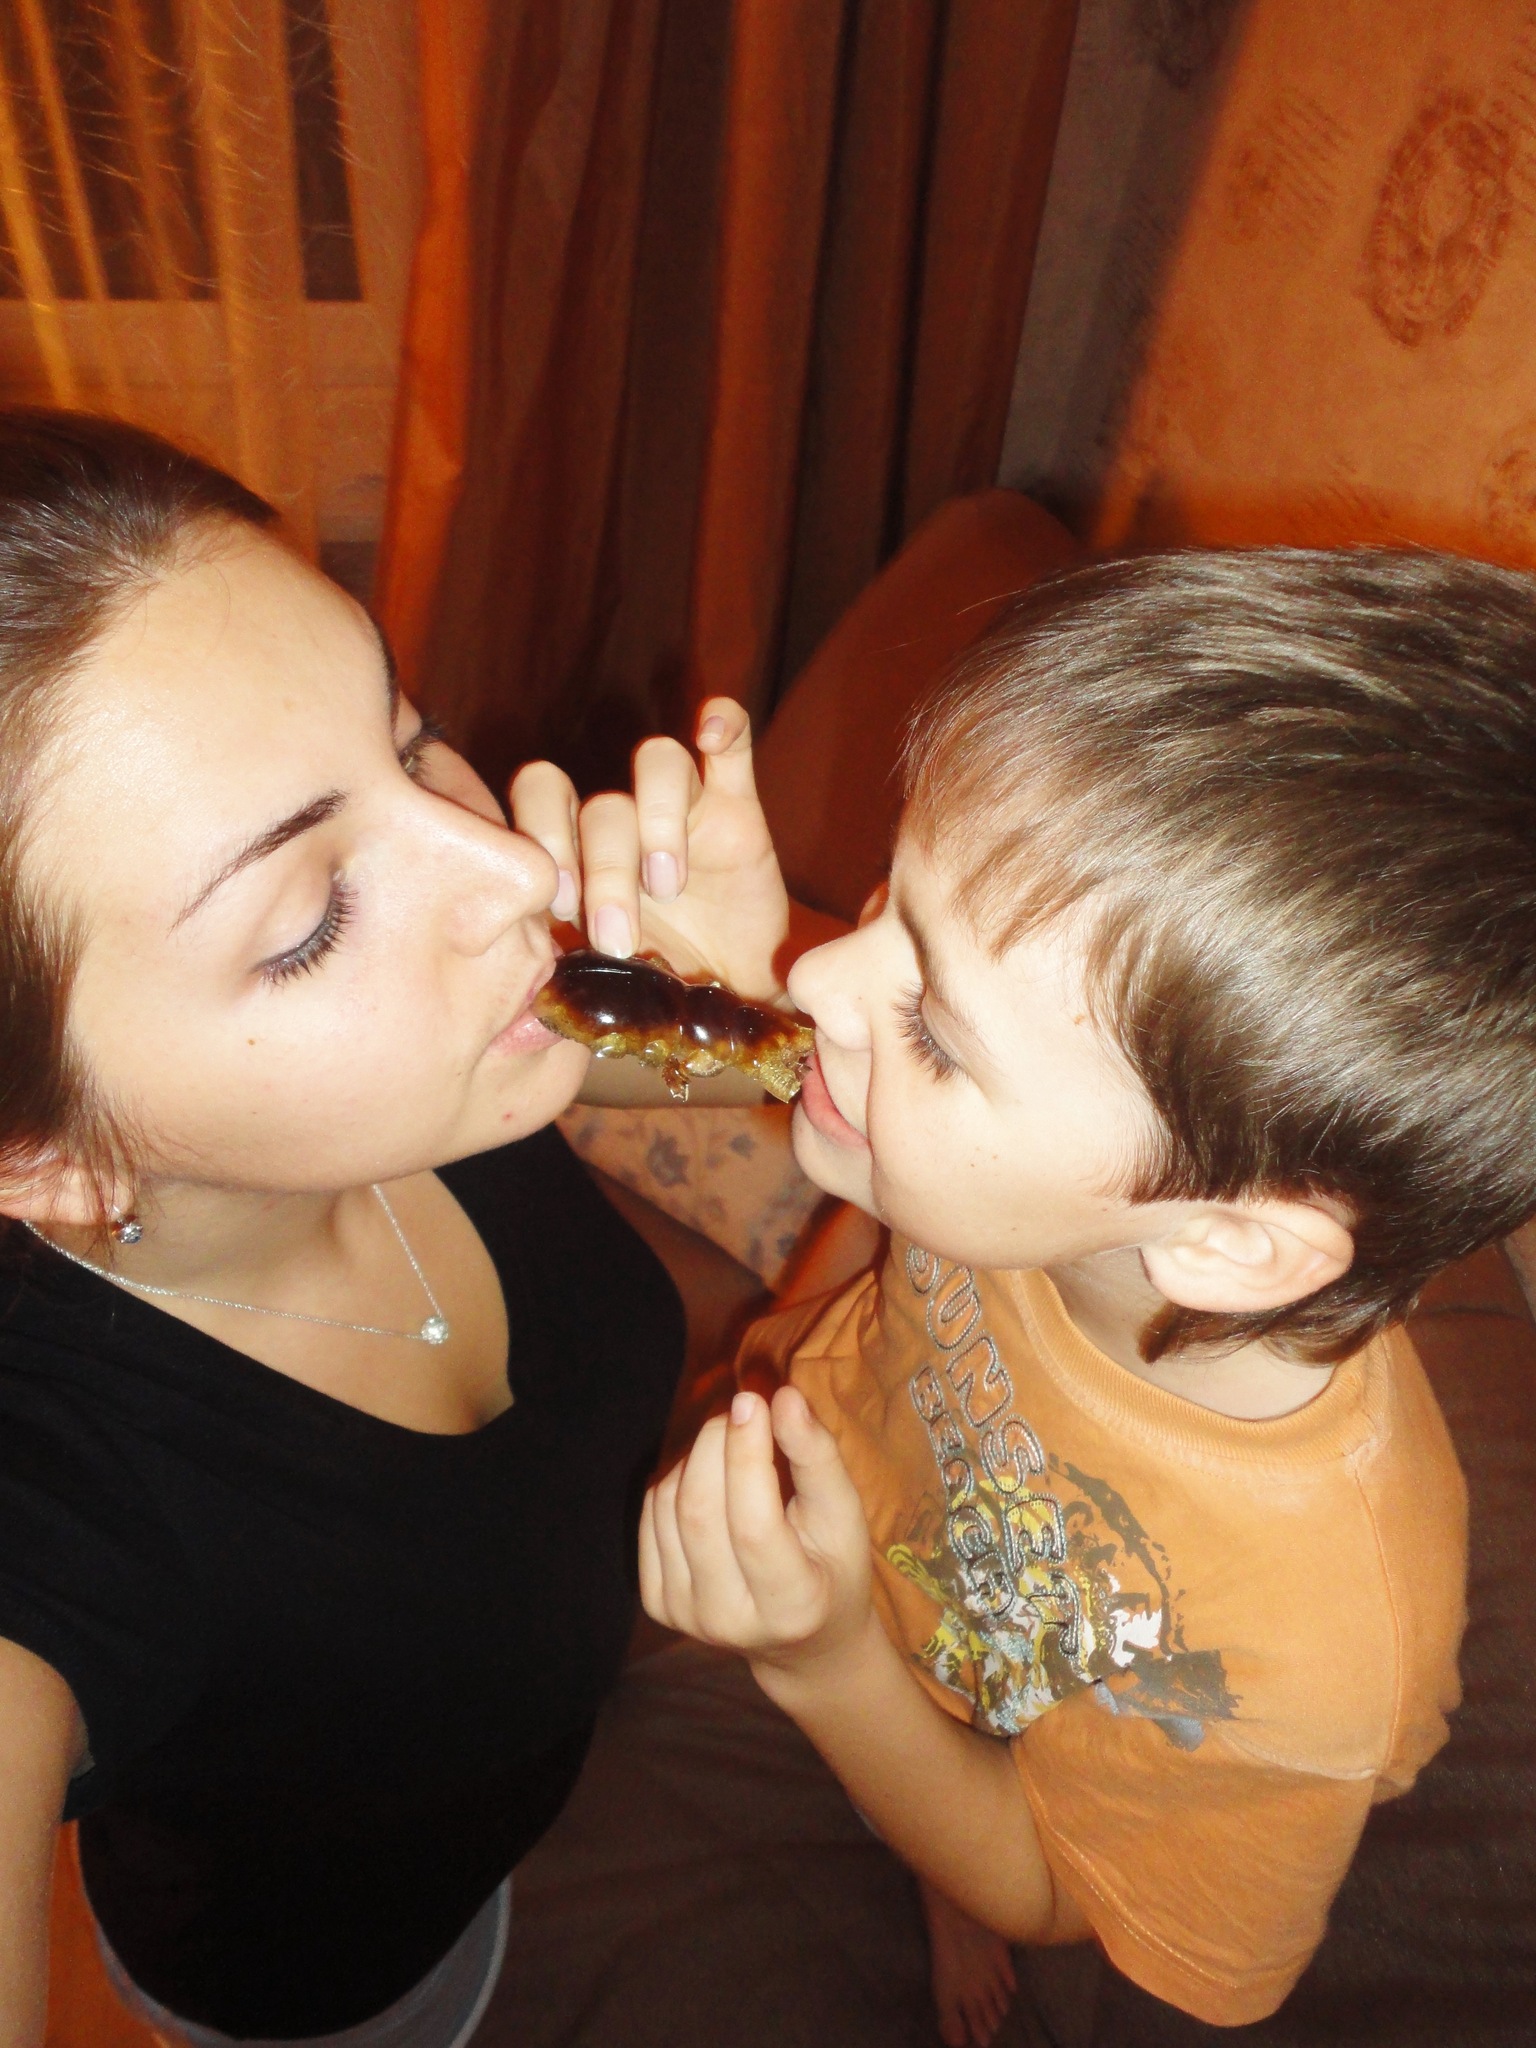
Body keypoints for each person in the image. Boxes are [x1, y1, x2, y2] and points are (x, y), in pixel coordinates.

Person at [636, 548, 1536, 2043]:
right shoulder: (1048, 1167)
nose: (824, 974)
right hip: (807, 1434)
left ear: (1225, 1246)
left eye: (934, 1029)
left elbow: (1059, 1888)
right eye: (887, 898)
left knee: (962, 1833)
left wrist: (826, 1654)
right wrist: (708, 994)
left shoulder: (1308, 1667)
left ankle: (920, 1850)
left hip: (932, 1686)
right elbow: (890, 1189)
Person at [0, 408, 800, 2048]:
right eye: (308, 922)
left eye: (410, 736)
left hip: (535, 1787)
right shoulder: (56, 1509)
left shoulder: (473, 1051)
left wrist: (726, 1000)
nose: (506, 870)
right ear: (46, 1157)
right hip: (325, 1984)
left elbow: (721, 1076)